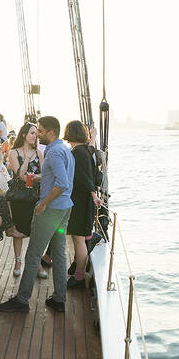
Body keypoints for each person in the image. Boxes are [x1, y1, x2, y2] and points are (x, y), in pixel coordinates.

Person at [0, 116, 74, 314]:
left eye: (40, 131)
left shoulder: (54, 153)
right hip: (65, 208)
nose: (37, 134)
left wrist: (43, 204)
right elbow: (60, 179)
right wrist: (39, 177)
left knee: (33, 254)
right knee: (58, 253)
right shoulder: (65, 150)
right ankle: (59, 298)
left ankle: (22, 300)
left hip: (50, 210)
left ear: (50, 132)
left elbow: (62, 183)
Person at [62, 121, 104, 288]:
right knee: (78, 237)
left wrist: (93, 195)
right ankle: (78, 269)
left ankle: (79, 276)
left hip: (80, 200)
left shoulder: (77, 153)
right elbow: (92, 150)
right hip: (84, 200)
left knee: (78, 239)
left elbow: (85, 177)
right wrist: (93, 137)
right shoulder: (86, 150)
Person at [7, 123, 43, 277]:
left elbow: (45, 175)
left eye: (36, 133)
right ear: (24, 135)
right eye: (32, 133)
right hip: (20, 198)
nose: (35, 136)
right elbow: (20, 176)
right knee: (19, 232)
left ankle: (37, 263)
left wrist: (35, 177)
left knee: (36, 232)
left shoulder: (39, 153)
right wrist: (27, 160)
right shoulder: (13, 153)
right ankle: (18, 261)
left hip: (35, 196)